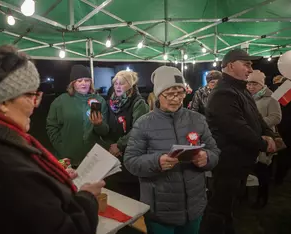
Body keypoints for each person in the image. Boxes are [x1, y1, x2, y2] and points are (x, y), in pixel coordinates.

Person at [0, 45, 105, 234]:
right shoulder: (0, 163)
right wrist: (88, 198)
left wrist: (51, 180)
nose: (35, 105)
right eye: (31, 95)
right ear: (2, 101)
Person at [124, 66, 220, 234]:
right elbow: (131, 161)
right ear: (158, 94)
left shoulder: (197, 120)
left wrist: (207, 158)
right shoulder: (143, 123)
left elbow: (214, 151)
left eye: (180, 92)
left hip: (194, 207)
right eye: (169, 93)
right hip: (159, 211)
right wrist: (157, 162)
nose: (176, 99)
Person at [200, 49, 276, 234]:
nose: (251, 69)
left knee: (229, 207)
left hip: (240, 163)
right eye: (247, 64)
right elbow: (236, 128)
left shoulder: (240, 90)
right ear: (231, 65)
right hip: (228, 164)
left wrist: (270, 135)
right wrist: (263, 143)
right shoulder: (223, 93)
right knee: (219, 209)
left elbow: (257, 119)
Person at [46, 64, 109, 166]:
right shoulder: (60, 101)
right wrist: (61, 147)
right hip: (68, 158)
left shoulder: (99, 100)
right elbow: (52, 127)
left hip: (93, 157)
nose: (84, 83)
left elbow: (105, 131)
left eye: (87, 80)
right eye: (79, 81)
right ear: (73, 83)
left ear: (91, 82)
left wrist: (99, 124)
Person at [103, 70, 149, 200]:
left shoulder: (139, 103)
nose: (117, 86)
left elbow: (139, 129)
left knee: (130, 196)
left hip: (131, 156)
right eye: (116, 83)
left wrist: (120, 145)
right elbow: (107, 129)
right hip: (113, 156)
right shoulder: (111, 103)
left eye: (122, 83)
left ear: (131, 85)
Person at [247, 70, 282, 208]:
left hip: (265, 138)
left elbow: (276, 117)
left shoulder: (271, 98)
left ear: (262, 85)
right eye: (249, 83)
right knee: (250, 167)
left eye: (254, 84)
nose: (250, 87)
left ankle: (262, 198)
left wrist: (259, 124)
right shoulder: (247, 98)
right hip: (250, 137)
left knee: (262, 170)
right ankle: (246, 194)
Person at [272, 75, 291, 185]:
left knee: (283, 154)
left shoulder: (283, 89)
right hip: (283, 126)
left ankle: (277, 177)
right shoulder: (284, 90)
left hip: (281, 126)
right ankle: (279, 177)